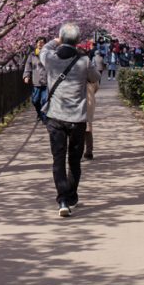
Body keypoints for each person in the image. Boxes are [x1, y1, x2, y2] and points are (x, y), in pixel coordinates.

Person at [40, 22, 101, 217]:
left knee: (58, 159)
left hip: (55, 117)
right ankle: (72, 195)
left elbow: (44, 48)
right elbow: (95, 77)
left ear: (61, 39)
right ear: (78, 42)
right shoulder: (83, 61)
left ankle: (63, 200)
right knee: (74, 160)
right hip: (78, 119)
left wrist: (56, 40)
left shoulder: (50, 58)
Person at [23, 37, 49, 123]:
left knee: (45, 100)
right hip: (36, 81)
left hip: (46, 82)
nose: (40, 44)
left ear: (45, 44)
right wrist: (26, 76)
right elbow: (28, 66)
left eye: (42, 42)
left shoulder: (49, 54)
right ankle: (39, 113)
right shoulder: (32, 55)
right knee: (35, 100)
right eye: (38, 42)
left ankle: (44, 119)